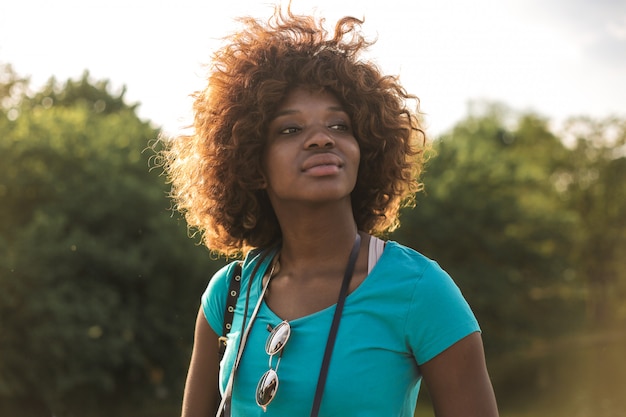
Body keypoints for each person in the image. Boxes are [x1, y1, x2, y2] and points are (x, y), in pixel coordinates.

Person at [163, 4, 499, 417]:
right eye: (291, 129)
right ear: (252, 164)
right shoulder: (230, 293)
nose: (321, 139)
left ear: (366, 150)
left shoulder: (420, 290)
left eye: (339, 125)